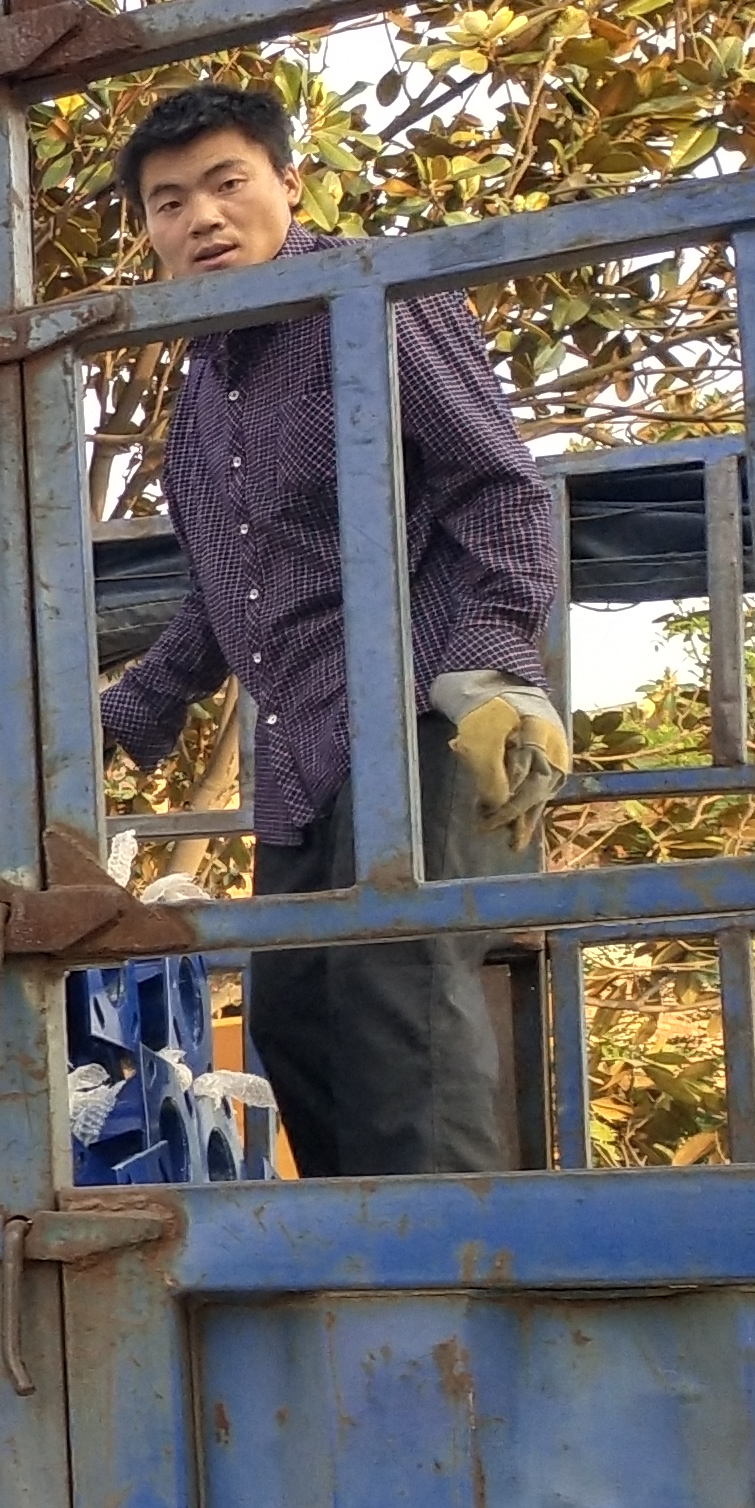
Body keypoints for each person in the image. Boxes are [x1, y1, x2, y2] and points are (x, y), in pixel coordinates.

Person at [97, 79, 568, 1176]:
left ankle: (449, 1269)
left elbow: (497, 484)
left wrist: (496, 667)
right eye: (170, 202)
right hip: (302, 749)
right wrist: (124, 714)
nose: (203, 218)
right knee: (293, 1016)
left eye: (227, 184)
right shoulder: (203, 390)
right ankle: (363, 1261)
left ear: (288, 184)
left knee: (398, 1013)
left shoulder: (370, 299)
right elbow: (226, 589)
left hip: (419, 717)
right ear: (151, 233)